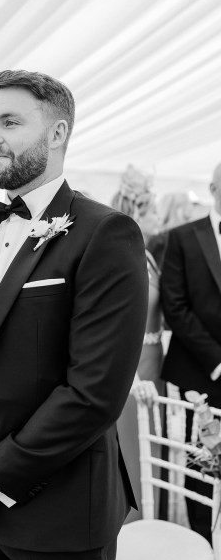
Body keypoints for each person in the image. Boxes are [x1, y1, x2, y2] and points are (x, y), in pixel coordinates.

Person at [0, 69, 148, 560]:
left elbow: (94, 393)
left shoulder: (106, 234)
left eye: (9, 121)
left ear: (57, 133)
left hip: (61, 515)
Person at [161, 162, 221, 543]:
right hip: (200, 371)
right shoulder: (182, 236)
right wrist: (216, 360)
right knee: (202, 459)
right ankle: (200, 537)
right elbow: (175, 306)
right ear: (214, 188)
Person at [111, 165, 164, 523]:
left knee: (153, 452)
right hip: (133, 374)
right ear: (140, 210)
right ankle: (131, 538)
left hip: (155, 364)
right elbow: (112, 328)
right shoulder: (121, 256)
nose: (160, 215)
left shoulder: (146, 254)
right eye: (154, 207)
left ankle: (152, 527)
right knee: (133, 457)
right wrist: (130, 380)